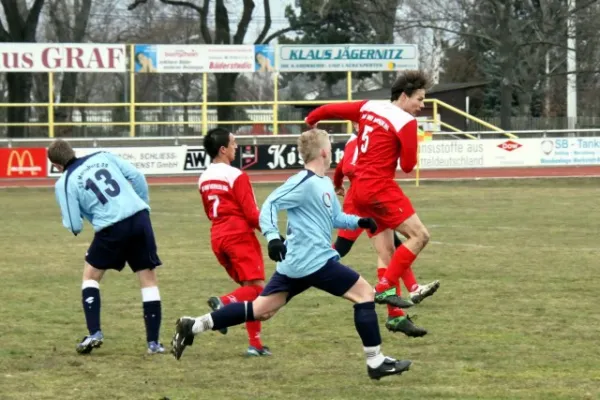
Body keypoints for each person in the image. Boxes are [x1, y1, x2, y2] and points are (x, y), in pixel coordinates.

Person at [171, 129, 413, 380]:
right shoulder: (303, 181)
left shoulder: (324, 183)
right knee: (365, 295)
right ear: (322, 151)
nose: (331, 151)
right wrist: (273, 238)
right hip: (314, 261)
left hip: (297, 264)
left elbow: (335, 218)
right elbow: (270, 205)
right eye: (329, 146)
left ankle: (194, 325)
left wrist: (360, 221)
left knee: (262, 309)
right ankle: (375, 362)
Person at [305, 70, 436, 335]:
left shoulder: (369, 107)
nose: (422, 106)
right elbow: (409, 166)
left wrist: (313, 118)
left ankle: (396, 317)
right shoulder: (405, 122)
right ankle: (385, 287)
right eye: (419, 99)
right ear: (404, 95)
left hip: (361, 191)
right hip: (380, 187)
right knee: (419, 236)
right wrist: (405, 145)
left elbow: (334, 109)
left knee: (387, 251)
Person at [48, 139, 164, 355]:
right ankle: (154, 343)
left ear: (56, 166)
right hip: (140, 219)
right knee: (148, 279)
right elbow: (138, 177)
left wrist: (81, 220)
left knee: (90, 276)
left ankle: (95, 333)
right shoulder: (103, 156)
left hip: (111, 228)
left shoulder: (65, 182)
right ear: (73, 151)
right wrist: (143, 205)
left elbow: (74, 225)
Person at [332, 126, 439, 337]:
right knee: (343, 249)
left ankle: (397, 312)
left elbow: (342, 167)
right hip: (364, 199)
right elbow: (349, 167)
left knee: (390, 250)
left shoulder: (358, 140)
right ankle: (307, 266)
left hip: (365, 196)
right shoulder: (363, 141)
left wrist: (338, 184)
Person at [198, 127, 270, 356]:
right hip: (238, 236)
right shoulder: (236, 175)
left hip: (218, 237)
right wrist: (271, 233)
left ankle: (255, 345)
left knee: (249, 290)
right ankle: (225, 303)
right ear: (222, 149)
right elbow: (251, 214)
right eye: (233, 143)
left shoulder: (203, 177)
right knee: (258, 291)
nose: (236, 147)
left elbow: (209, 212)